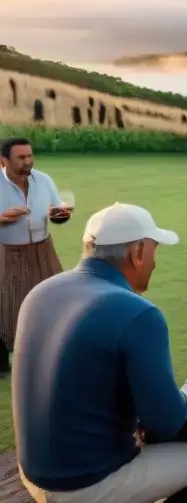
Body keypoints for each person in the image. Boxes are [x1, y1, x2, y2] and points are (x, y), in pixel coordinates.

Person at [13, 202, 187, 503]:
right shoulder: (138, 313)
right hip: (83, 485)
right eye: (154, 250)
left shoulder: (40, 293)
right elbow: (166, 422)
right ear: (138, 253)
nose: (155, 263)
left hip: (34, 473)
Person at [0, 137, 72, 371]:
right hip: (7, 252)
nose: (28, 161)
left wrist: (60, 215)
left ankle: (48, 354)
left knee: (53, 301)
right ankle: (3, 362)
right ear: (4, 161)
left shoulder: (43, 179)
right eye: (21, 157)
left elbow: (55, 209)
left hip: (43, 250)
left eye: (30, 155)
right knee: (7, 305)